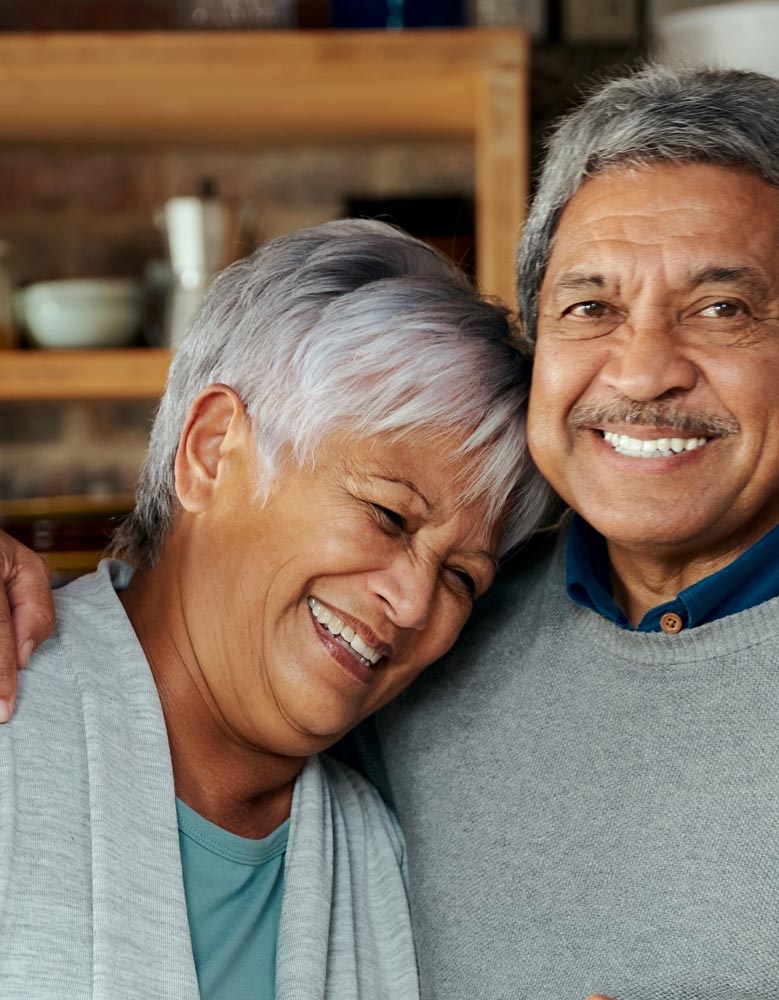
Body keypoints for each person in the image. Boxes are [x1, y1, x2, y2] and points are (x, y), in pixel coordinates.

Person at [4, 65, 779, 999]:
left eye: (722, 306)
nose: (642, 370)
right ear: (213, 448)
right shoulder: (427, 669)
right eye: (588, 305)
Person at [0, 219, 552, 998]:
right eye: (388, 516)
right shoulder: (12, 720)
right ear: (213, 450)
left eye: (462, 577)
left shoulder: (377, 855)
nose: (412, 601)